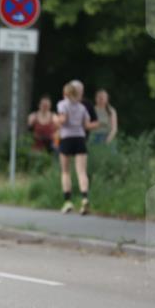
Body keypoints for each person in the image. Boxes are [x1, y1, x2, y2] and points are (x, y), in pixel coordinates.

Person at [55, 81, 96, 215]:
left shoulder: (62, 104)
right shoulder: (82, 107)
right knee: (82, 171)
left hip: (66, 138)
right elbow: (86, 125)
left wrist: (55, 119)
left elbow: (63, 120)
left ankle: (67, 202)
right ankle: (84, 199)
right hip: (80, 138)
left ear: (65, 93)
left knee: (66, 172)